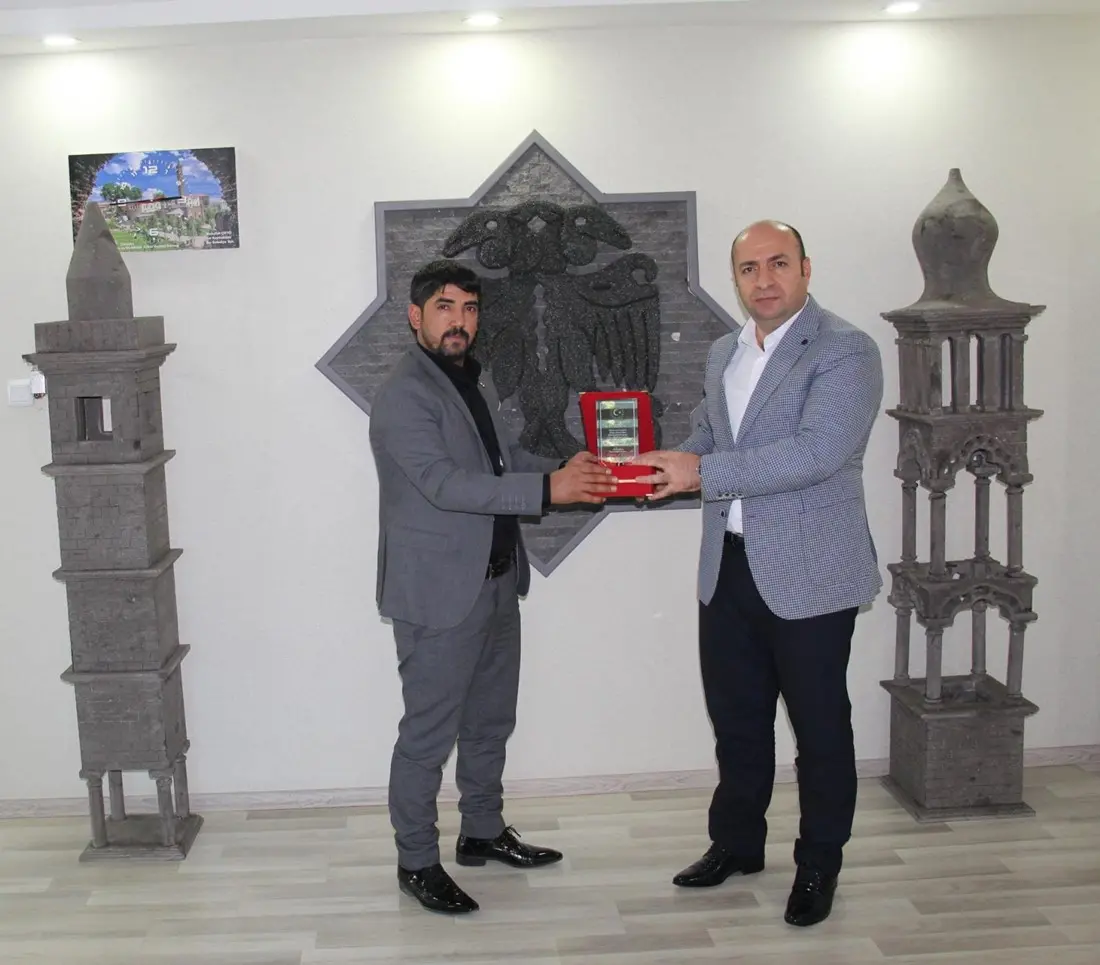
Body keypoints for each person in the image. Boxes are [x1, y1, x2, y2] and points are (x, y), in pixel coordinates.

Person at [632, 221, 883, 927]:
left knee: (820, 730)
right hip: (730, 566)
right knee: (737, 721)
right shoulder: (726, 351)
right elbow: (711, 438)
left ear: (805, 267)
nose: (764, 280)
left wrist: (700, 472)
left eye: (778, 264)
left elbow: (816, 453)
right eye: (749, 268)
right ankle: (738, 844)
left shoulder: (846, 349)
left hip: (812, 572)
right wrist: (652, 465)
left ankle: (819, 864)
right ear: (736, 278)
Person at [368, 259, 617, 914]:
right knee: (428, 736)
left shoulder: (469, 378)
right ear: (416, 315)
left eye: (470, 308)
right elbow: (446, 484)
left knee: (489, 723)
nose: (460, 321)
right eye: (445, 307)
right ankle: (416, 861)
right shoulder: (404, 394)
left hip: (498, 582)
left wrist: (564, 466)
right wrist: (549, 490)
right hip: (439, 596)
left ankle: (481, 829)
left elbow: (501, 462)